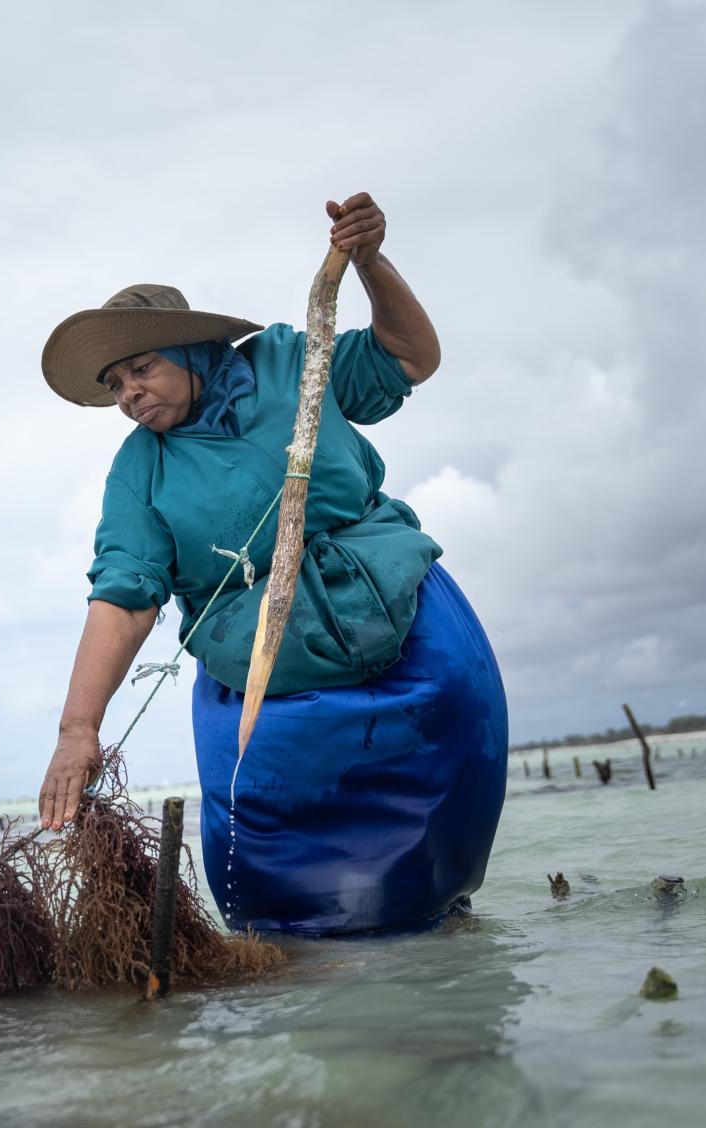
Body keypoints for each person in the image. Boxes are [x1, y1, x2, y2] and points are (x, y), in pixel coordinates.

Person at [37, 193, 507, 935]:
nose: (128, 392)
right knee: (285, 917)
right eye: (114, 384)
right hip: (261, 695)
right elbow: (125, 597)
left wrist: (372, 265)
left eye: (142, 368)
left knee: (437, 882)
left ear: (193, 353)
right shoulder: (139, 472)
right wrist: (76, 732)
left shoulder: (291, 360)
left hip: (407, 638)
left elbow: (413, 358)